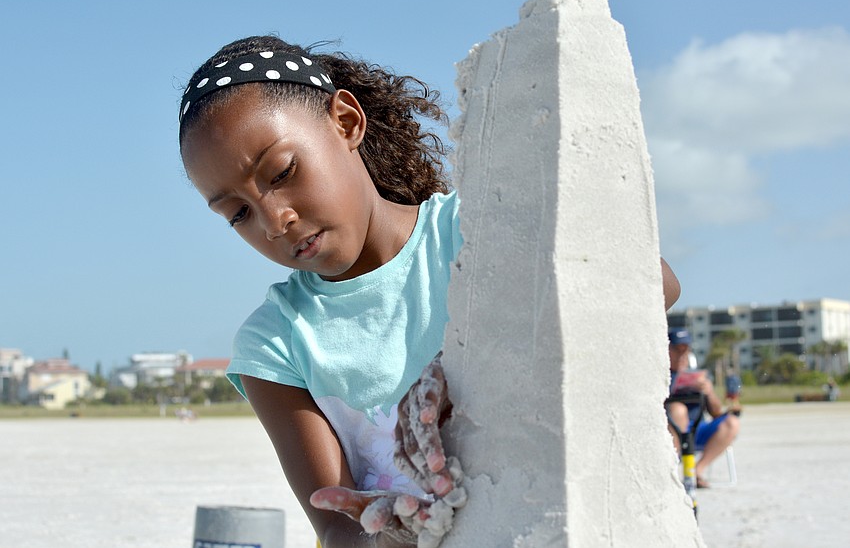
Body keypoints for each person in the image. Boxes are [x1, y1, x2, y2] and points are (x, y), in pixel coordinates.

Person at [178, 34, 684, 547]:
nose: (274, 221)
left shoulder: (478, 229)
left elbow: (654, 286)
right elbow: (336, 524)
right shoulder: (274, 341)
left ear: (346, 122)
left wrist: (473, 370)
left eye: (282, 172)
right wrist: (387, 536)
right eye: (238, 213)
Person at [666, 328, 740, 488]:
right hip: (671, 431)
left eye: (685, 350)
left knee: (732, 422)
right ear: (667, 350)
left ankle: (696, 471)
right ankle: (671, 472)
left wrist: (709, 392)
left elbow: (716, 412)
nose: (681, 355)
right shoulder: (661, 376)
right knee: (678, 410)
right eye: (677, 350)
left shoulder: (699, 376)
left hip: (697, 429)